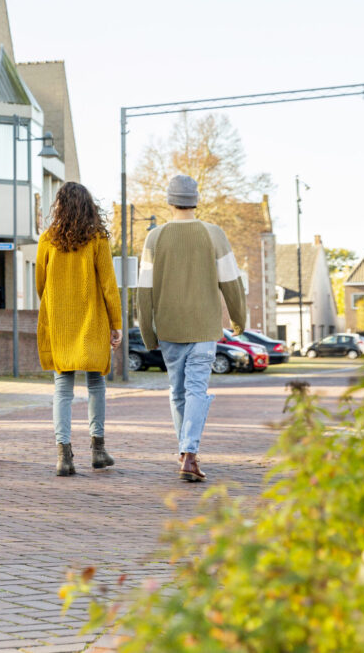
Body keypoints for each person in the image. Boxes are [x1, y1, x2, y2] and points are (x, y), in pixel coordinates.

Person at [135, 175, 247, 482]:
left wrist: (147, 332)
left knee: (178, 391)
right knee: (197, 389)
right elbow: (231, 283)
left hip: (169, 327)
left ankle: (186, 452)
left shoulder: (154, 238)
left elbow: (143, 291)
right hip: (203, 326)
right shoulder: (214, 234)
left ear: (170, 201)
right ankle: (189, 454)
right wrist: (239, 321)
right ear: (195, 200)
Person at [35, 182, 122, 476]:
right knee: (96, 383)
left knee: (62, 388)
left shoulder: (47, 239)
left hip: (60, 321)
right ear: (88, 206)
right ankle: (98, 450)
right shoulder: (97, 239)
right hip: (92, 320)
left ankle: (64, 456)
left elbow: (40, 282)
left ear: (59, 206)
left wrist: (53, 306)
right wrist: (116, 324)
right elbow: (109, 286)